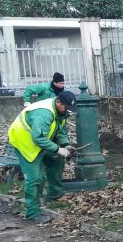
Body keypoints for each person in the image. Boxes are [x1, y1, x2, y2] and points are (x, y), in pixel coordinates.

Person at [7, 91, 77, 224]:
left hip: (43, 141)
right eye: (66, 108)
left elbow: (60, 129)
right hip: (25, 143)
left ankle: (54, 194)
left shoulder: (60, 111)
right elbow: (38, 138)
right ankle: (32, 212)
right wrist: (57, 149)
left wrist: (65, 145)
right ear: (58, 102)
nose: (68, 111)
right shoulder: (43, 114)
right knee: (35, 178)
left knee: (56, 160)